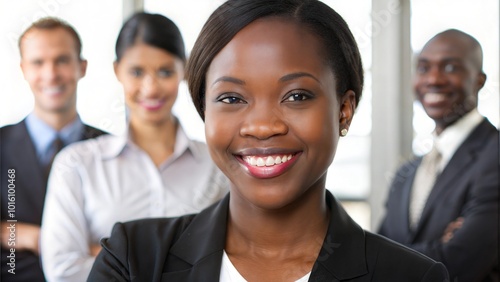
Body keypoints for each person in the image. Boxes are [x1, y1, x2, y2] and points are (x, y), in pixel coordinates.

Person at [88, 1, 450, 281]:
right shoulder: (132, 261)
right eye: (231, 98)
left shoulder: (412, 276)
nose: (262, 127)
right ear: (204, 111)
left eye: (296, 96)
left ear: (344, 110)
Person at [40, 12, 229, 282]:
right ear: (118, 71)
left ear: (184, 70)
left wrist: (114, 258)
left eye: (165, 71)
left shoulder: (217, 163)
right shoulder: (77, 164)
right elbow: (64, 271)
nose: (150, 88)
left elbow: (231, 260)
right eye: (137, 72)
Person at [378, 29, 499, 281]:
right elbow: (371, 252)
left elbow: (460, 262)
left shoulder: (494, 154)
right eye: (423, 68)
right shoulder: (407, 172)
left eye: (451, 68)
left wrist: (381, 258)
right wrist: (434, 248)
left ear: (479, 80)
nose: (433, 79)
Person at [0, 17, 107, 281]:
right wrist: (22, 234)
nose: (51, 74)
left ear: (81, 67)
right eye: (38, 62)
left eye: (62, 60)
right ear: (24, 69)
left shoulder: (112, 150)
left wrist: (30, 237)